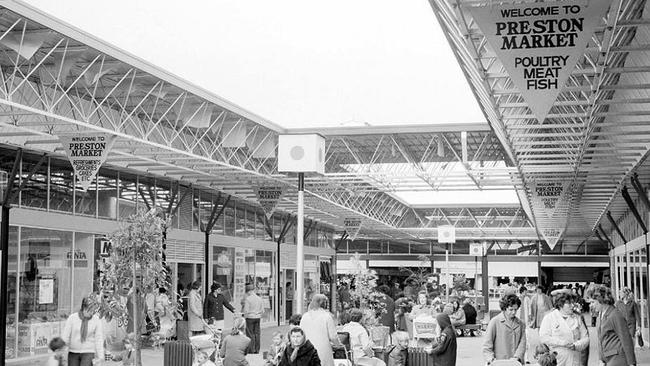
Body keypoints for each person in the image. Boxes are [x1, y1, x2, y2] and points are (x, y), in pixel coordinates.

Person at [587, 284, 636, 366]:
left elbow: (626, 339)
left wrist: (631, 363)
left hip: (618, 358)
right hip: (607, 358)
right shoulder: (600, 315)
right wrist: (601, 359)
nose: (590, 305)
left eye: (592, 302)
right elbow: (600, 339)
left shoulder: (615, 314)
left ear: (601, 300)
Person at [539, 292, 589, 366]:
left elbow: (586, 338)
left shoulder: (577, 318)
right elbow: (544, 337)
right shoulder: (549, 318)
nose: (572, 306)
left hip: (574, 358)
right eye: (569, 303)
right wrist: (562, 343)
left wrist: (576, 345)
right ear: (560, 305)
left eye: (573, 303)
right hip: (557, 359)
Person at [483, 293, 526, 365]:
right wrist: (490, 358)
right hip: (499, 361)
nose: (513, 312)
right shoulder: (495, 322)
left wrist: (517, 357)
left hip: (515, 362)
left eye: (516, 309)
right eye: (511, 309)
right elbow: (487, 344)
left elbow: (523, 343)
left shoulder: (521, 324)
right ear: (505, 308)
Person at [62, 296, 105, 366]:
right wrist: (62, 351)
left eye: (93, 311)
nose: (92, 313)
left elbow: (98, 338)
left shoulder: (96, 320)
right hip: (73, 351)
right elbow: (66, 336)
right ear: (84, 308)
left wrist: (100, 355)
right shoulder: (72, 318)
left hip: (88, 351)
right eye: (90, 310)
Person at [300, 294, 341, 366]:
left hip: (307, 350)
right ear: (324, 304)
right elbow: (333, 336)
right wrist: (338, 345)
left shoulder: (305, 316)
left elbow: (301, 334)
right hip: (323, 350)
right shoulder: (327, 317)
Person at [242, 283, 264, 353]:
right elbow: (262, 310)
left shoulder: (248, 299)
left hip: (250, 318)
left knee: (250, 334)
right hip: (258, 317)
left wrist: (244, 317)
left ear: (248, 291)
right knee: (257, 334)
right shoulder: (259, 299)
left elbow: (246, 311)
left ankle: (251, 350)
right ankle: (257, 349)